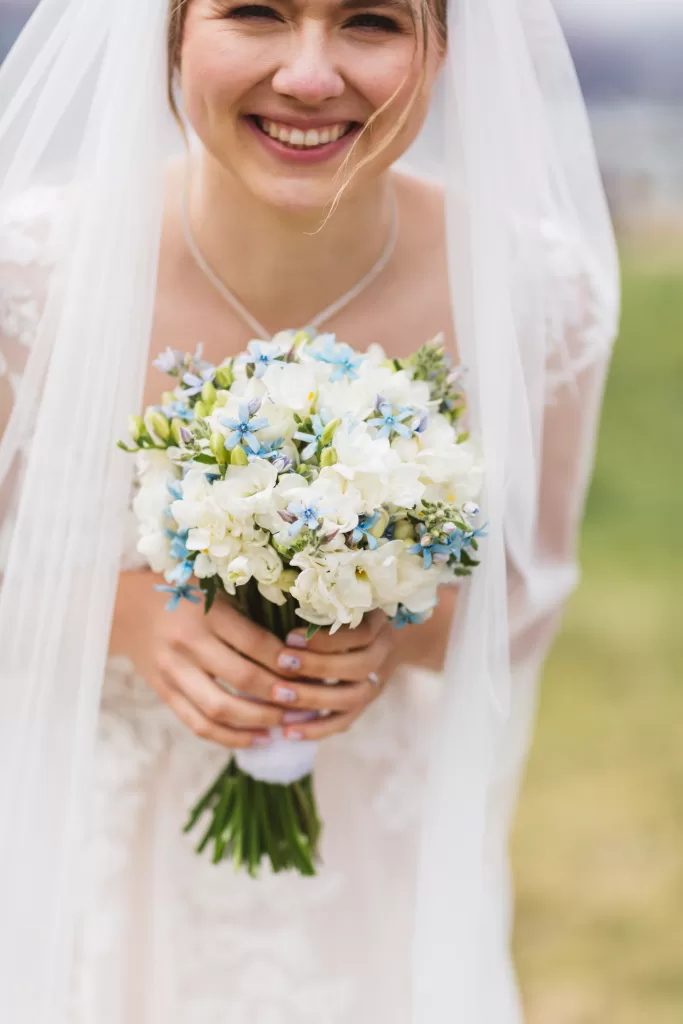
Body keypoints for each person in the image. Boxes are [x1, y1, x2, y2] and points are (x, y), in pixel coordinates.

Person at [0, 0, 620, 1021]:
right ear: (169, 31)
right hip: (77, 871)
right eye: (255, 12)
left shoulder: (533, 291)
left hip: (368, 881)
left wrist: (387, 628)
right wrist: (120, 615)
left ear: (443, 49)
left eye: (370, 21)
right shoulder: (27, 281)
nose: (309, 76)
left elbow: (526, 591)